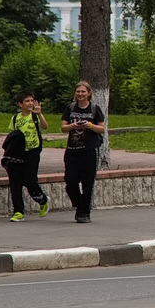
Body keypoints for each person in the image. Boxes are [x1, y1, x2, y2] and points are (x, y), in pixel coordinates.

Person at [61, 80, 107, 224]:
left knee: (88, 183)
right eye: (78, 91)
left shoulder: (94, 109)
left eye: (83, 91)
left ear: (88, 93)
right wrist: (72, 125)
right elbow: (63, 128)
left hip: (89, 151)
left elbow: (102, 129)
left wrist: (90, 125)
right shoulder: (70, 108)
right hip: (72, 150)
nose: (80, 94)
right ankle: (79, 204)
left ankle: (84, 213)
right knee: (70, 180)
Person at [3, 92, 49, 221]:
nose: (30, 103)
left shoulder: (35, 116)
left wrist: (39, 114)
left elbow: (45, 127)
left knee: (30, 181)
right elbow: (13, 134)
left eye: (32, 101)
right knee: (15, 182)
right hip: (18, 153)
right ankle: (18, 211)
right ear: (20, 104)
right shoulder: (15, 118)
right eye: (27, 101)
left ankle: (42, 199)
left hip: (32, 152)